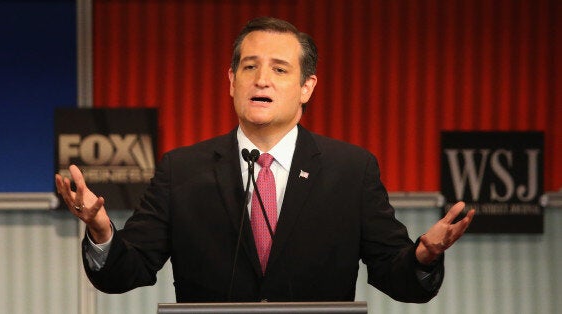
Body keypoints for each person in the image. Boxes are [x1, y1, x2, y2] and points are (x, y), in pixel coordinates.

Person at [55, 16, 474, 303]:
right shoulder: (181, 170)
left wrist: (423, 255)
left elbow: (394, 274)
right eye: (250, 67)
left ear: (307, 87)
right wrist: (101, 230)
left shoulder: (351, 170)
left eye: (279, 69)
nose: (261, 79)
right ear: (231, 81)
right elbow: (127, 272)